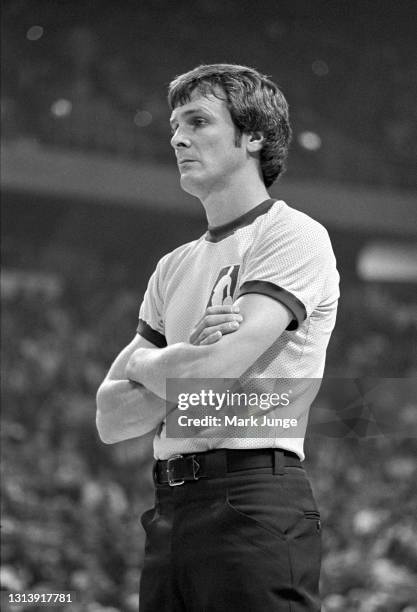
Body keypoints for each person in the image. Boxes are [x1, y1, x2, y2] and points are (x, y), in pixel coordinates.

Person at [96, 64, 339, 611]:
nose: (178, 137)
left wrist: (148, 367)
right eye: (175, 126)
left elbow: (217, 372)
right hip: (168, 511)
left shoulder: (292, 234)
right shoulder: (172, 266)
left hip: (253, 499)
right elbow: (110, 420)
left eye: (198, 120)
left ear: (253, 136)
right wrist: (190, 364)